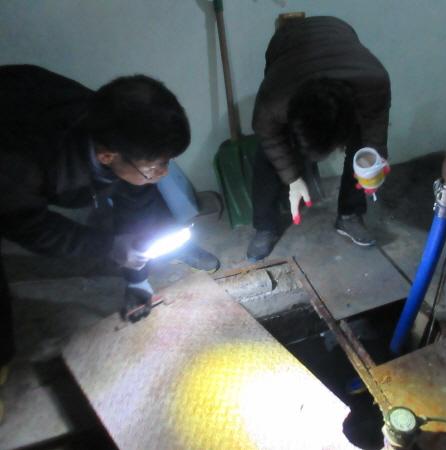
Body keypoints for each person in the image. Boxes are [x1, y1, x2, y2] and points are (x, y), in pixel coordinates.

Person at [0, 65, 220, 407]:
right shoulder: (25, 164)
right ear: (106, 157)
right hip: (10, 148)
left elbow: (137, 205)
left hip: (28, 95)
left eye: (167, 163)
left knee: (140, 193)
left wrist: (137, 279)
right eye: (155, 166)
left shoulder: (122, 128)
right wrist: (107, 246)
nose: (162, 174)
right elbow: (29, 226)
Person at [247, 16, 391, 262]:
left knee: (361, 147)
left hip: (337, 30)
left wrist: (372, 163)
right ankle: (265, 225)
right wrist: (293, 180)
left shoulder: (374, 83)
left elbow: (374, 128)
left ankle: (349, 214)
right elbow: (271, 139)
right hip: (286, 42)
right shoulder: (273, 100)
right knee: (267, 154)